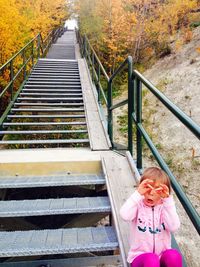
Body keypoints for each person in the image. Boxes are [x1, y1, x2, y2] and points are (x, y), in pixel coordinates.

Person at [120, 167, 182, 267]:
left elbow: (174, 227)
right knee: (151, 260)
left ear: (163, 193)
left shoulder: (164, 207)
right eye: (147, 188)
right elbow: (124, 215)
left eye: (157, 190)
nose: (151, 193)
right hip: (140, 259)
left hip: (161, 257)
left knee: (173, 256)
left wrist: (168, 201)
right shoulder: (138, 204)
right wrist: (138, 194)